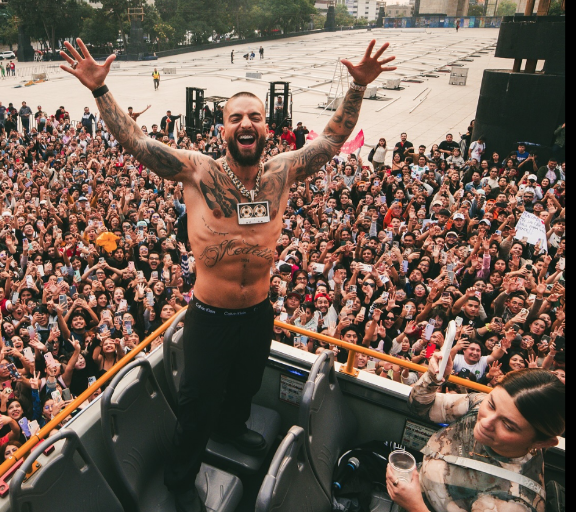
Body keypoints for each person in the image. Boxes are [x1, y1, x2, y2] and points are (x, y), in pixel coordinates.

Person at [58, 37, 395, 511]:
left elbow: (332, 139)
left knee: (245, 385)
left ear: (267, 127)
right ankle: (180, 481)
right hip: (209, 317)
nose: (245, 124)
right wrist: (100, 90)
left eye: (254, 116)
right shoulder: (197, 173)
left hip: (257, 311)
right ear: (222, 129)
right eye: (235, 117)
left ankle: (234, 427)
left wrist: (357, 87)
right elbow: (135, 141)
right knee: (195, 409)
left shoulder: (282, 172)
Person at [387, 352, 564, 512]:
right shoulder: (480, 402)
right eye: (492, 404)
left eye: (508, 426)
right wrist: (434, 377)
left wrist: (414, 506)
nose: (486, 422)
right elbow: (419, 406)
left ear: (541, 443)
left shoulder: (514, 503)